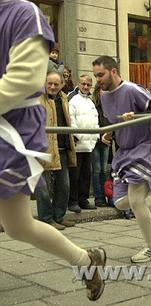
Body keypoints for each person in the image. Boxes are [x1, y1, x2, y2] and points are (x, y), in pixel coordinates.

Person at [0, 0, 105, 300]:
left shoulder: (24, 13)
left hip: (12, 132)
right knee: (17, 226)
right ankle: (87, 260)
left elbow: (22, 81)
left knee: (17, 225)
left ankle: (86, 261)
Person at [92, 55, 151, 263]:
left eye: (101, 74)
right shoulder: (104, 96)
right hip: (124, 150)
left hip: (145, 145)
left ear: (113, 72)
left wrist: (135, 115)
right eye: (96, 75)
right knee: (121, 203)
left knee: (135, 200)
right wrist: (110, 133)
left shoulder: (133, 89)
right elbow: (113, 122)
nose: (98, 79)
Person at [35, 71, 77, 229]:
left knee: (64, 185)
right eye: (49, 83)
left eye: (56, 84)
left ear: (62, 85)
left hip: (63, 147)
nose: (52, 86)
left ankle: (59, 216)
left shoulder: (64, 98)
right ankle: (46, 219)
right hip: (43, 149)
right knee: (43, 188)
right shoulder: (37, 98)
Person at [68, 75, 99, 211]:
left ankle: (83, 199)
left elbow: (95, 120)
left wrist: (96, 137)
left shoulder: (91, 102)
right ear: (78, 84)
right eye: (83, 84)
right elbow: (71, 121)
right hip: (78, 145)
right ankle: (73, 201)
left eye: (88, 84)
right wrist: (79, 137)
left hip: (90, 145)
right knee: (75, 175)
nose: (85, 87)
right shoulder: (73, 100)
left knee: (86, 175)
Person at [91, 83, 112, 207]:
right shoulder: (93, 106)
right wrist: (100, 137)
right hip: (94, 141)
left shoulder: (109, 106)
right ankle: (98, 198)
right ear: (98, 92)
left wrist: (109, 135)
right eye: (102, 91)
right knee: (96, 170)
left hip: (106, 141)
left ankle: (105, 196)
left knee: (104, 170)